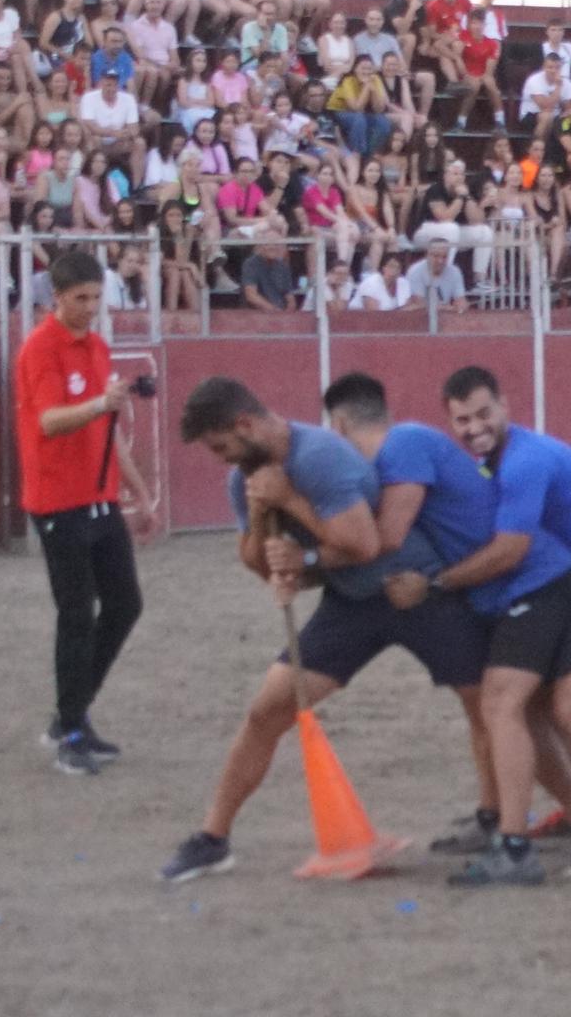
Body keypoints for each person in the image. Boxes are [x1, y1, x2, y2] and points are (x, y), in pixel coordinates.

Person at [158, 376, 489, 882]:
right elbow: (256, 561)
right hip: (352, 601)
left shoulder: (319, 458)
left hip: (413, 586)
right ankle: (213, 837)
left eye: (222, 446)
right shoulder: (242, 477)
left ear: (245, 424)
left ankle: (499, 820)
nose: (221, 459)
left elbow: (362, 543)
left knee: (487, 703)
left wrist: (291, 507)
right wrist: (266, 527)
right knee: (267, 710)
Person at [395, 366, 571, 887]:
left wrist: (437, 584)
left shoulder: (524, 462)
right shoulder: (500, 462)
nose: (473, 427)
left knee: (568, 705)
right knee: (534, 705)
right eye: (462, 420)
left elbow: (511, 550)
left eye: (483, 413)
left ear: (506, 407)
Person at [14, 251, 155, 776]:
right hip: (57, 500)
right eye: (80, 298)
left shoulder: (95, 346)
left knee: (124, 604)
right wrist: (101, 404)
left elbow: (107, 431)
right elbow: (51, 421)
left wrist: (138, 493)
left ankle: (70, 713)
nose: (90, 307)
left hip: (98, 498)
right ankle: (71, 726)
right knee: (76, 612)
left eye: (96, 298)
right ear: (58, 296)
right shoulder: (40, 349)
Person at [406, 239, 469, 312]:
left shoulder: (455, 272)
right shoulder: (415, 271)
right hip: (420, 317)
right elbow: (419, 303)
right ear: (427, 255)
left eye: (444, 257)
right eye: (436, 256)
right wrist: (449, 308)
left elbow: (460, 299)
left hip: (446, 317)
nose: (440, 261)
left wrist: (462, 304)